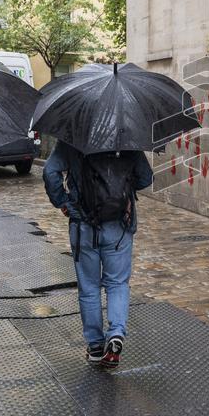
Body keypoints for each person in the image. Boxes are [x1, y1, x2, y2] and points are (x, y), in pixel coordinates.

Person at [43, 140, 153, 367]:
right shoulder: (127, 136)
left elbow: (50, 170)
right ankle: (116, 333)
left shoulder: (72, 138)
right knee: (117, 283)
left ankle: (95, 346)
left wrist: (62, 201)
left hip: (83, 226)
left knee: (89, 287)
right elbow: (145, 178)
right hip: (119, 227)